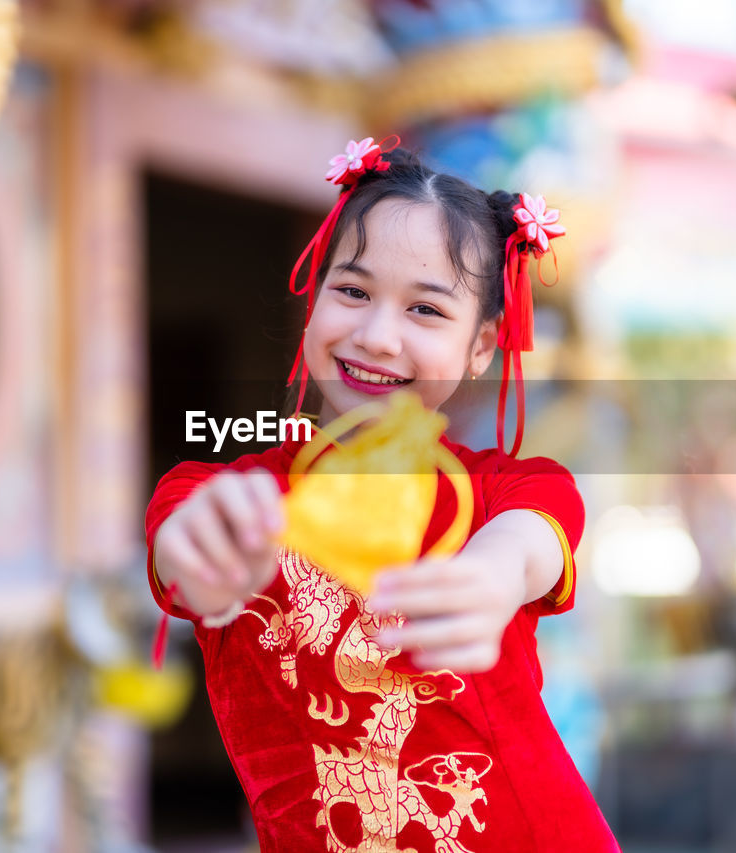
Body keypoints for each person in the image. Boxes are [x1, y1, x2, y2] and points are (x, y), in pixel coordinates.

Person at [145, 139, 620, 851]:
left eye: (426, 311)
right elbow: (179, 545)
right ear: (315, 294)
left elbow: (530, 543)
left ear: (482, 346)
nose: (377, 336)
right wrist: (200, 543)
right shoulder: (223, 494)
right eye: (353, 291)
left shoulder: (509, 489)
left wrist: (491, 574)